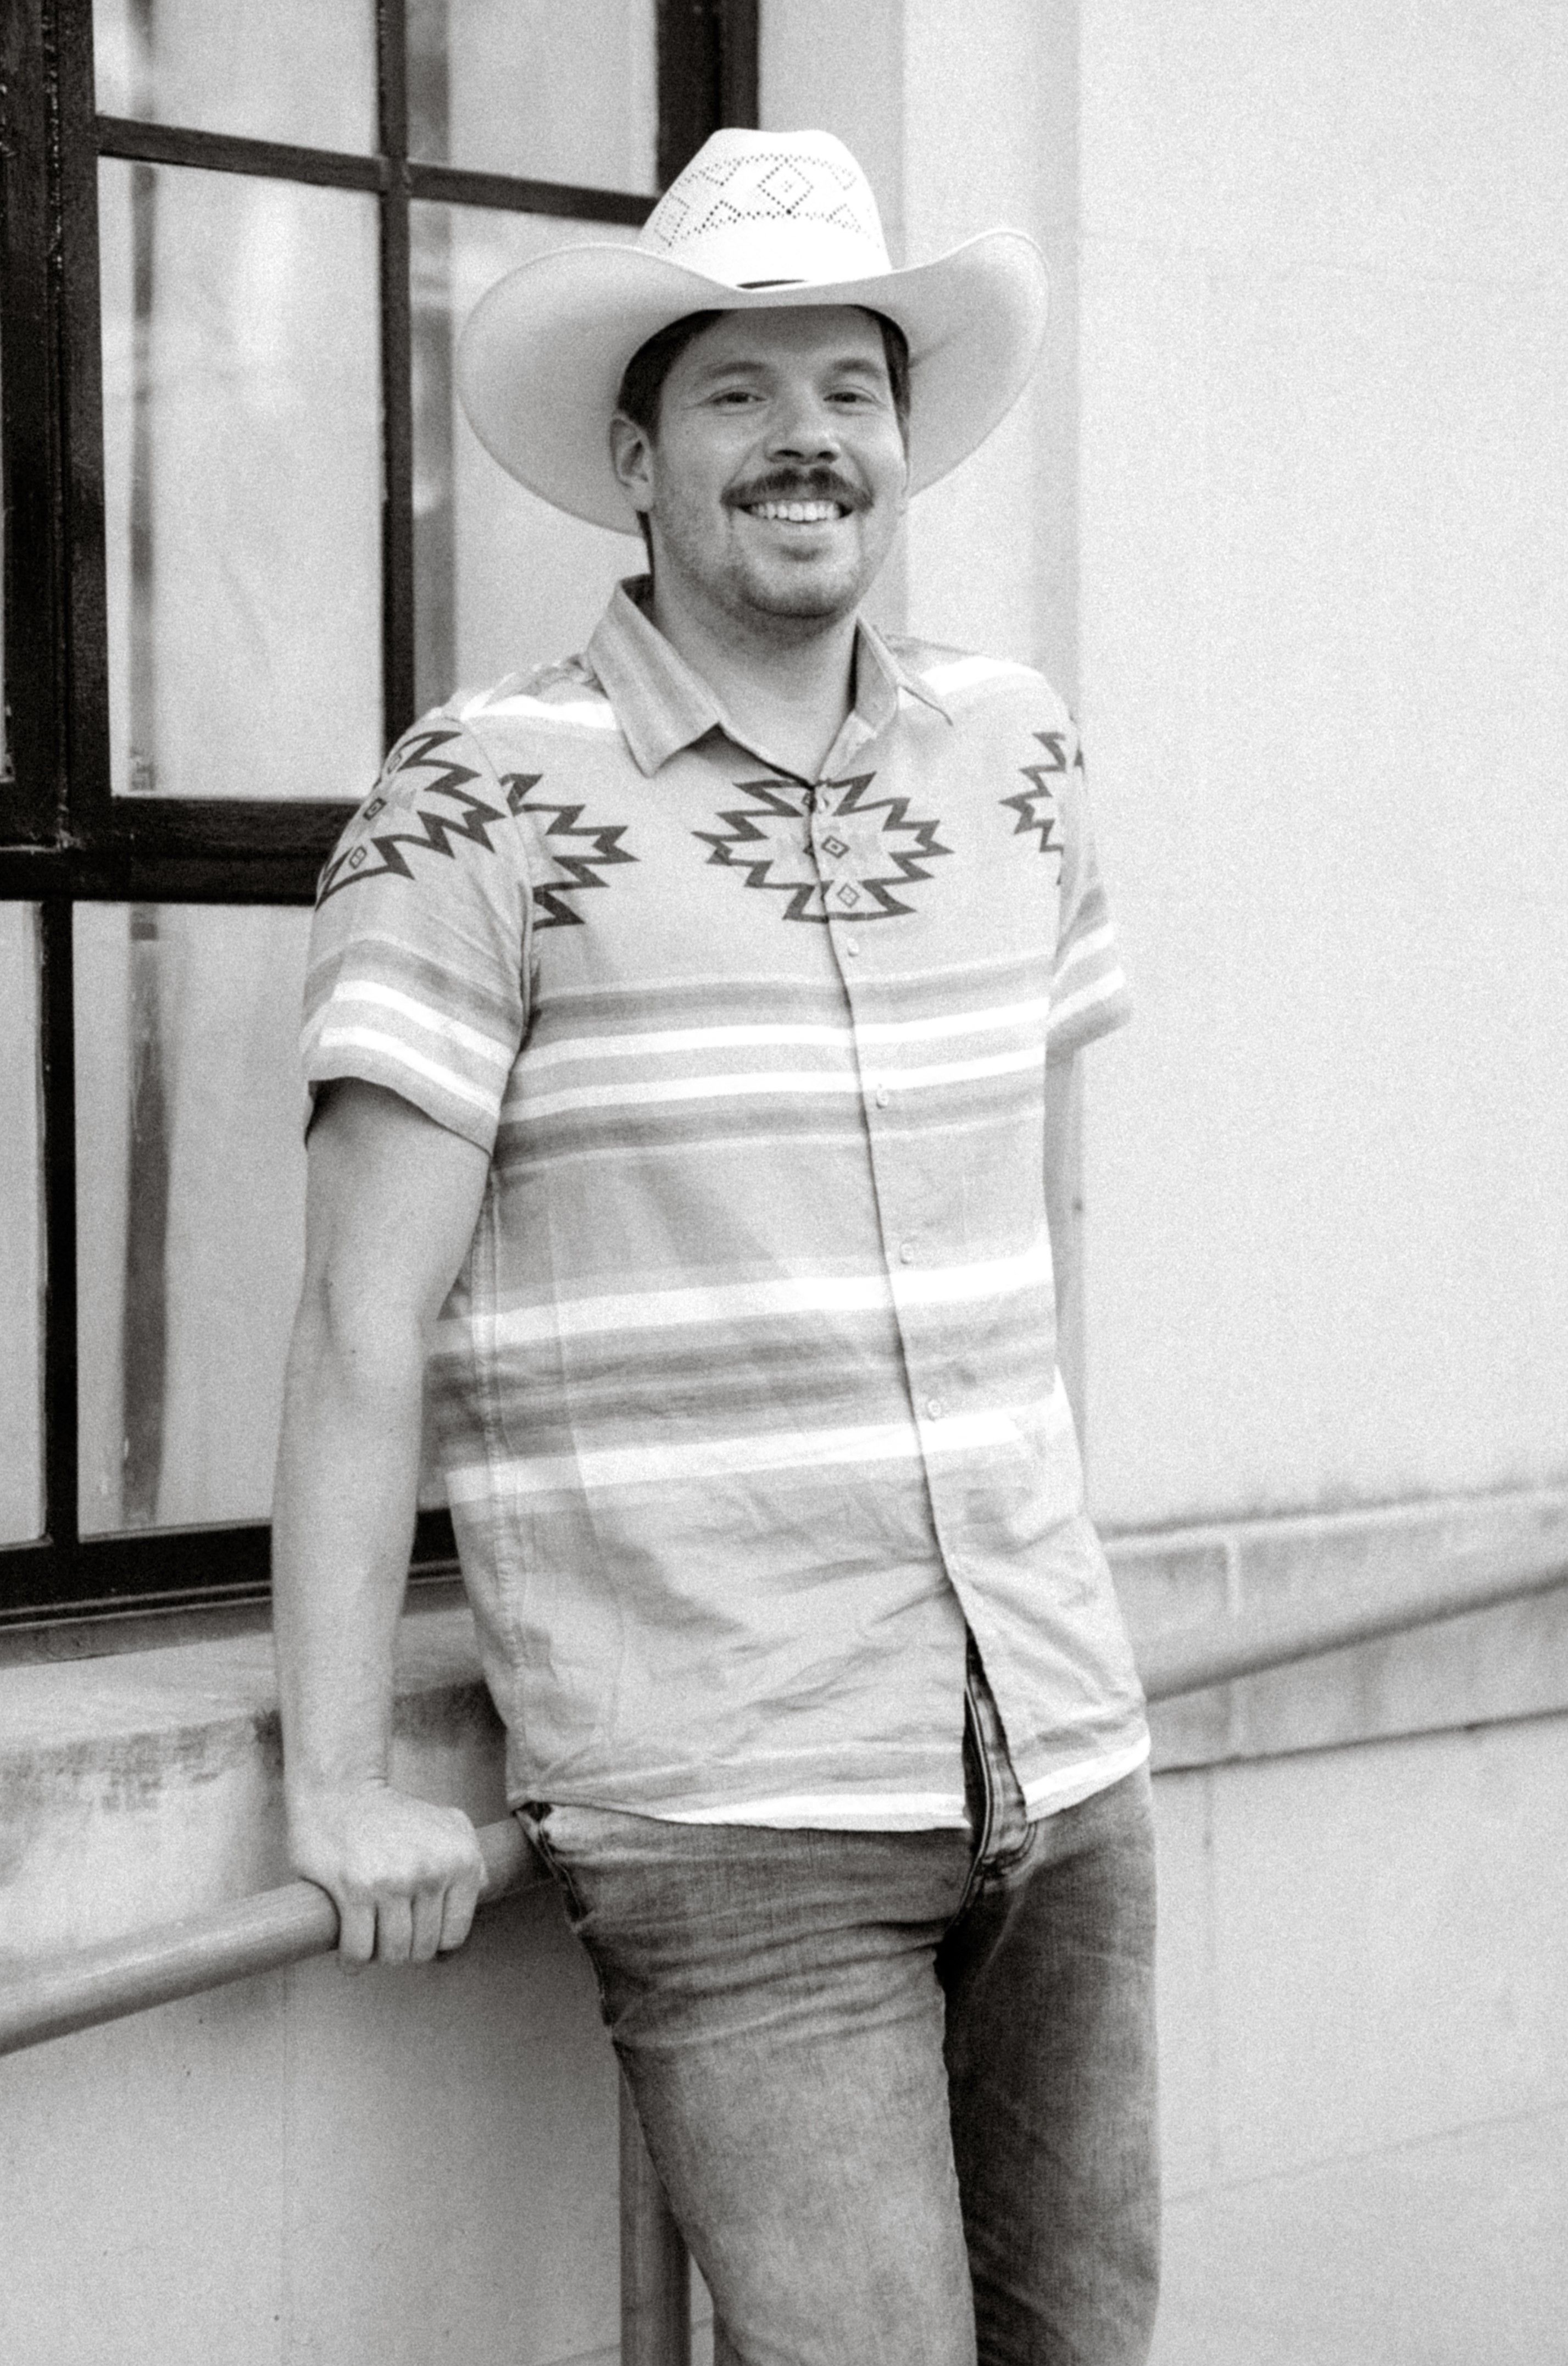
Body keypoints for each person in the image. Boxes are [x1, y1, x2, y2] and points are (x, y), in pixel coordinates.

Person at [273, 126, 1158, 2365]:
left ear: (899, 441)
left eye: (847, 390)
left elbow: (1027, 1216)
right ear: (637, 457)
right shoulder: (479, 793)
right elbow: (361, 1321)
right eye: (740, 394)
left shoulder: (1018, 754)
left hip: (1055, 1736)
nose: (807, 443)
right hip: (729, 1789)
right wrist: (335, 1768)